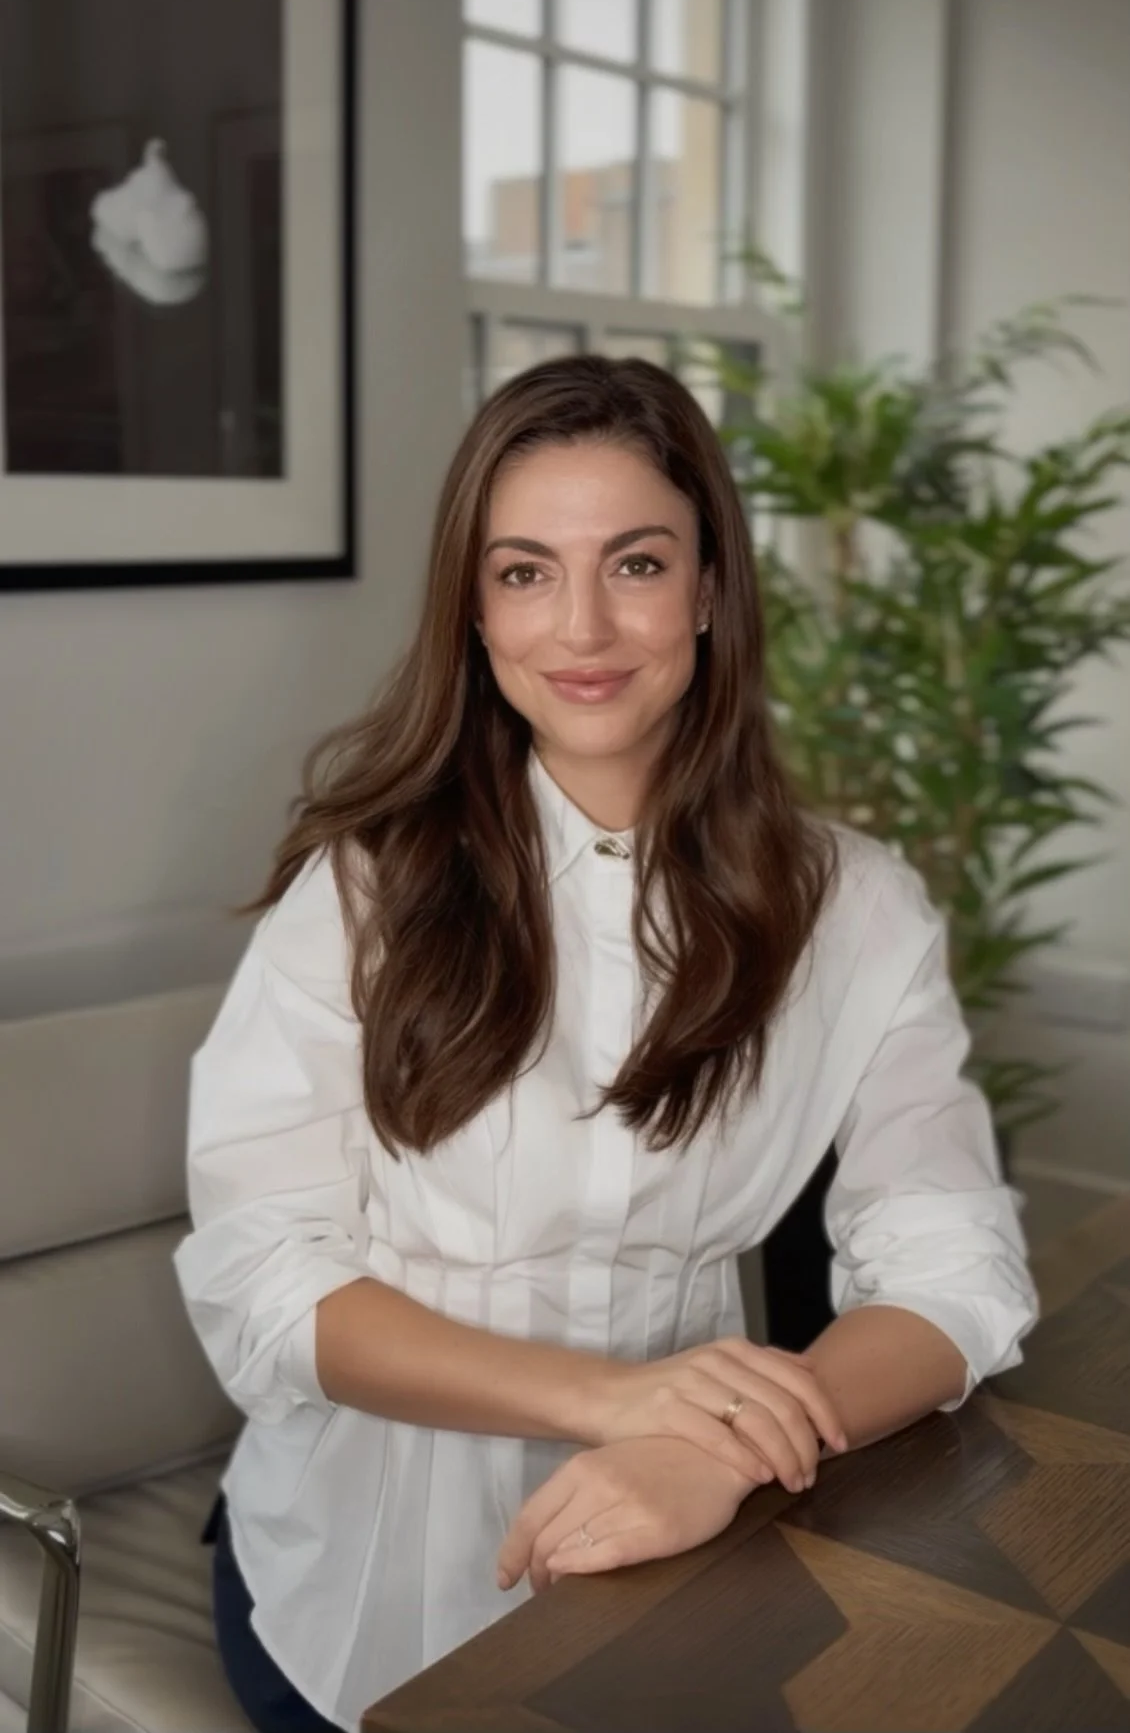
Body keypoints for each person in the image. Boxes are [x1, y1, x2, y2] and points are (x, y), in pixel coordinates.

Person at [174, 355, 1038, 1733]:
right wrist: (619, 1402)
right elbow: (263, 1283)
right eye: (525, 572)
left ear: (708, 589)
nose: (581, 625)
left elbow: (956, 1271)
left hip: (697, 1533)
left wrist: (726, 1448)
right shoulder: (362, 893)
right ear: (474, 610)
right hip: (358, 1570)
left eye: (635, 563)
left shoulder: (857, 909)